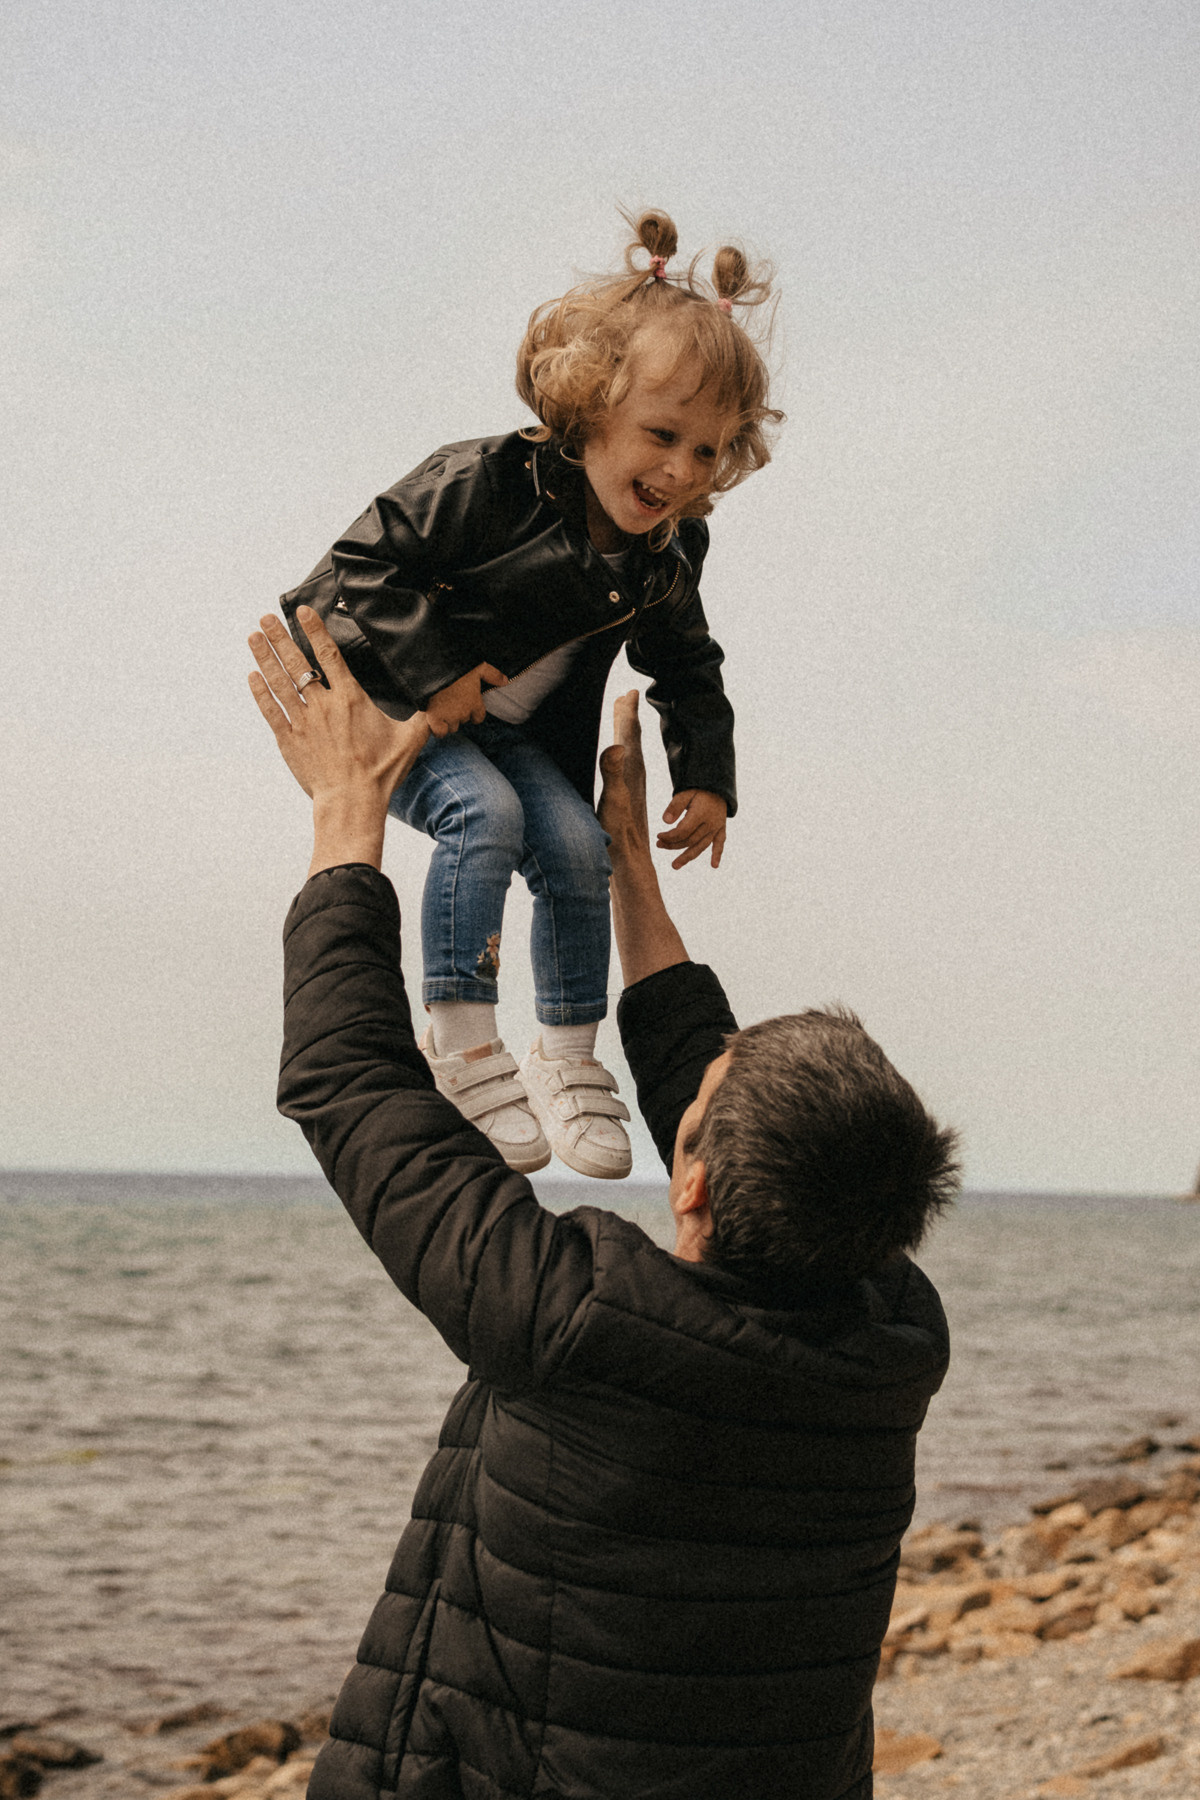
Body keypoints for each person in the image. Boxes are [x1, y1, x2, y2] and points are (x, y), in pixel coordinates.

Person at [248, 607, 958, 1800]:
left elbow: (350, 1078)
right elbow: (710, 1085)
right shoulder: (891, 1332)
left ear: (689, 1181)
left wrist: (346, 810)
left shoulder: (575, 1320)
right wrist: (620, 856)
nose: (697, 1068)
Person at [279, 208, 783, 1181]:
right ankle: (463, 1040)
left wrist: (709, 777)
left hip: (516, 737)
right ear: (593, 407)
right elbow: (354, 569)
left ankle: (568, 1059)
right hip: (399, 709)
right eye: (662, 434)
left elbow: (686, 664)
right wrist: (435, 671)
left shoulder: (666, 551)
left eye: (708, 451)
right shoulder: (486, 481)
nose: (680, 469)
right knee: (487, 814)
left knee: (576, 842)